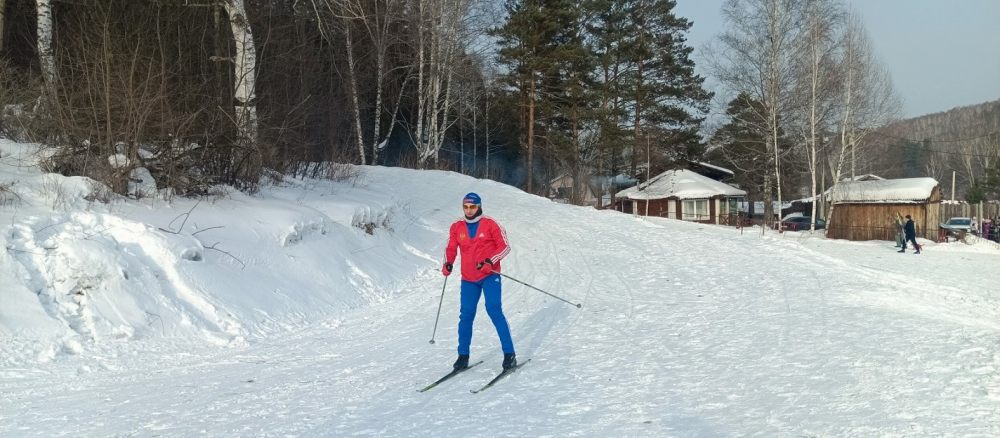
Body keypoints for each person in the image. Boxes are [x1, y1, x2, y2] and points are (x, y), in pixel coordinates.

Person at [441, 192, 516, 371]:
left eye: (472, 207)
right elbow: (450, 248)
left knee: (494, 310)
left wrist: (490, 261)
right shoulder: (457, 227)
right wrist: (448, 263)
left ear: (479, 206)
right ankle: (463, 356)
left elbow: (505, 247)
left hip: (489, 275)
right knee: (466, 316)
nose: (469, 210)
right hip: (468, 279)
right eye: (465, 207)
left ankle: (509, 354)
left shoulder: (491, 224)